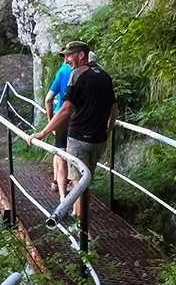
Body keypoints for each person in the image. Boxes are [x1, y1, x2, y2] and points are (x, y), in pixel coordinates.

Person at [26, 40, 116, 219]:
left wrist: (43, 132)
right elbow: (114, 107)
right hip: (99, 141)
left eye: (68, 55)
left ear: (80, 55)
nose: (66, 60)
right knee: (85, 182)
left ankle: (84, 234)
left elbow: (66, 109)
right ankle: (83, 225)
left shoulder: (77, 75)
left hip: (79, 140)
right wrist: (109, 129)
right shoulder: (104, 75)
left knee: (78, 187)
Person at [43, 49, 75, 204]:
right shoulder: (80, 72)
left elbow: (48, 99)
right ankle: (71, 190)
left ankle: (57, 184)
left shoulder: (62, 70)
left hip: (59, 117)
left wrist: (51, 121)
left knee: (59, 152)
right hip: (75, 119)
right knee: (73, 157)